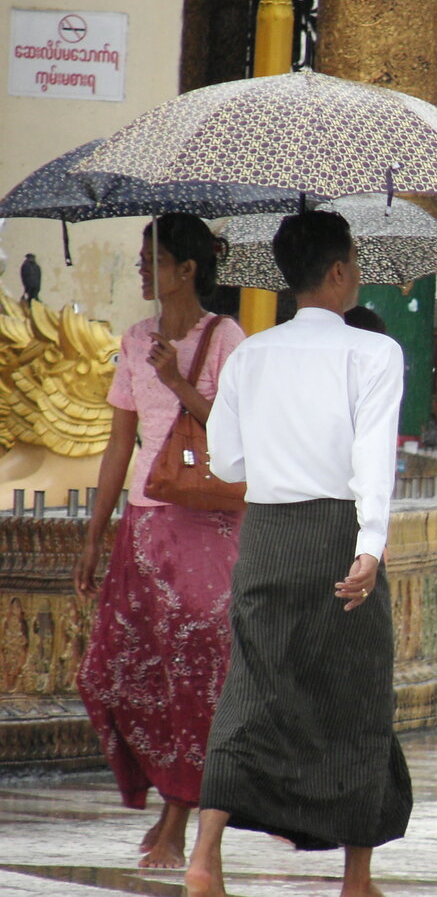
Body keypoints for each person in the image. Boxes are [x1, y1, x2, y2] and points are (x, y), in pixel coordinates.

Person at [185, 211, 412, 897]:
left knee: (252, 686)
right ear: (338, 271)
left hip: (267, 537)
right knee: (357, 692)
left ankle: (204, 859)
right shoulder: (374, 353)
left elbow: (227, 460)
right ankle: (356, 876)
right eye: (356, 263)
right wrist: (370, 545)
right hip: (338, 533)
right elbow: (373, 456)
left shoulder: (250, 354)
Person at [74, 213, 245, 869]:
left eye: (155, 259)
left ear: (188, 270)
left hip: (205, 522)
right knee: (117, 670)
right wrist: (96, 535)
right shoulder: (135, 338)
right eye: (144, 259)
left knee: (195, 668)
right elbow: (120, 442)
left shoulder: (227, 337)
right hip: (144, 526)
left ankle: (178, 818)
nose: (144, 269)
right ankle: (166, 792)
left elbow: (241, 429)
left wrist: (178, 382)